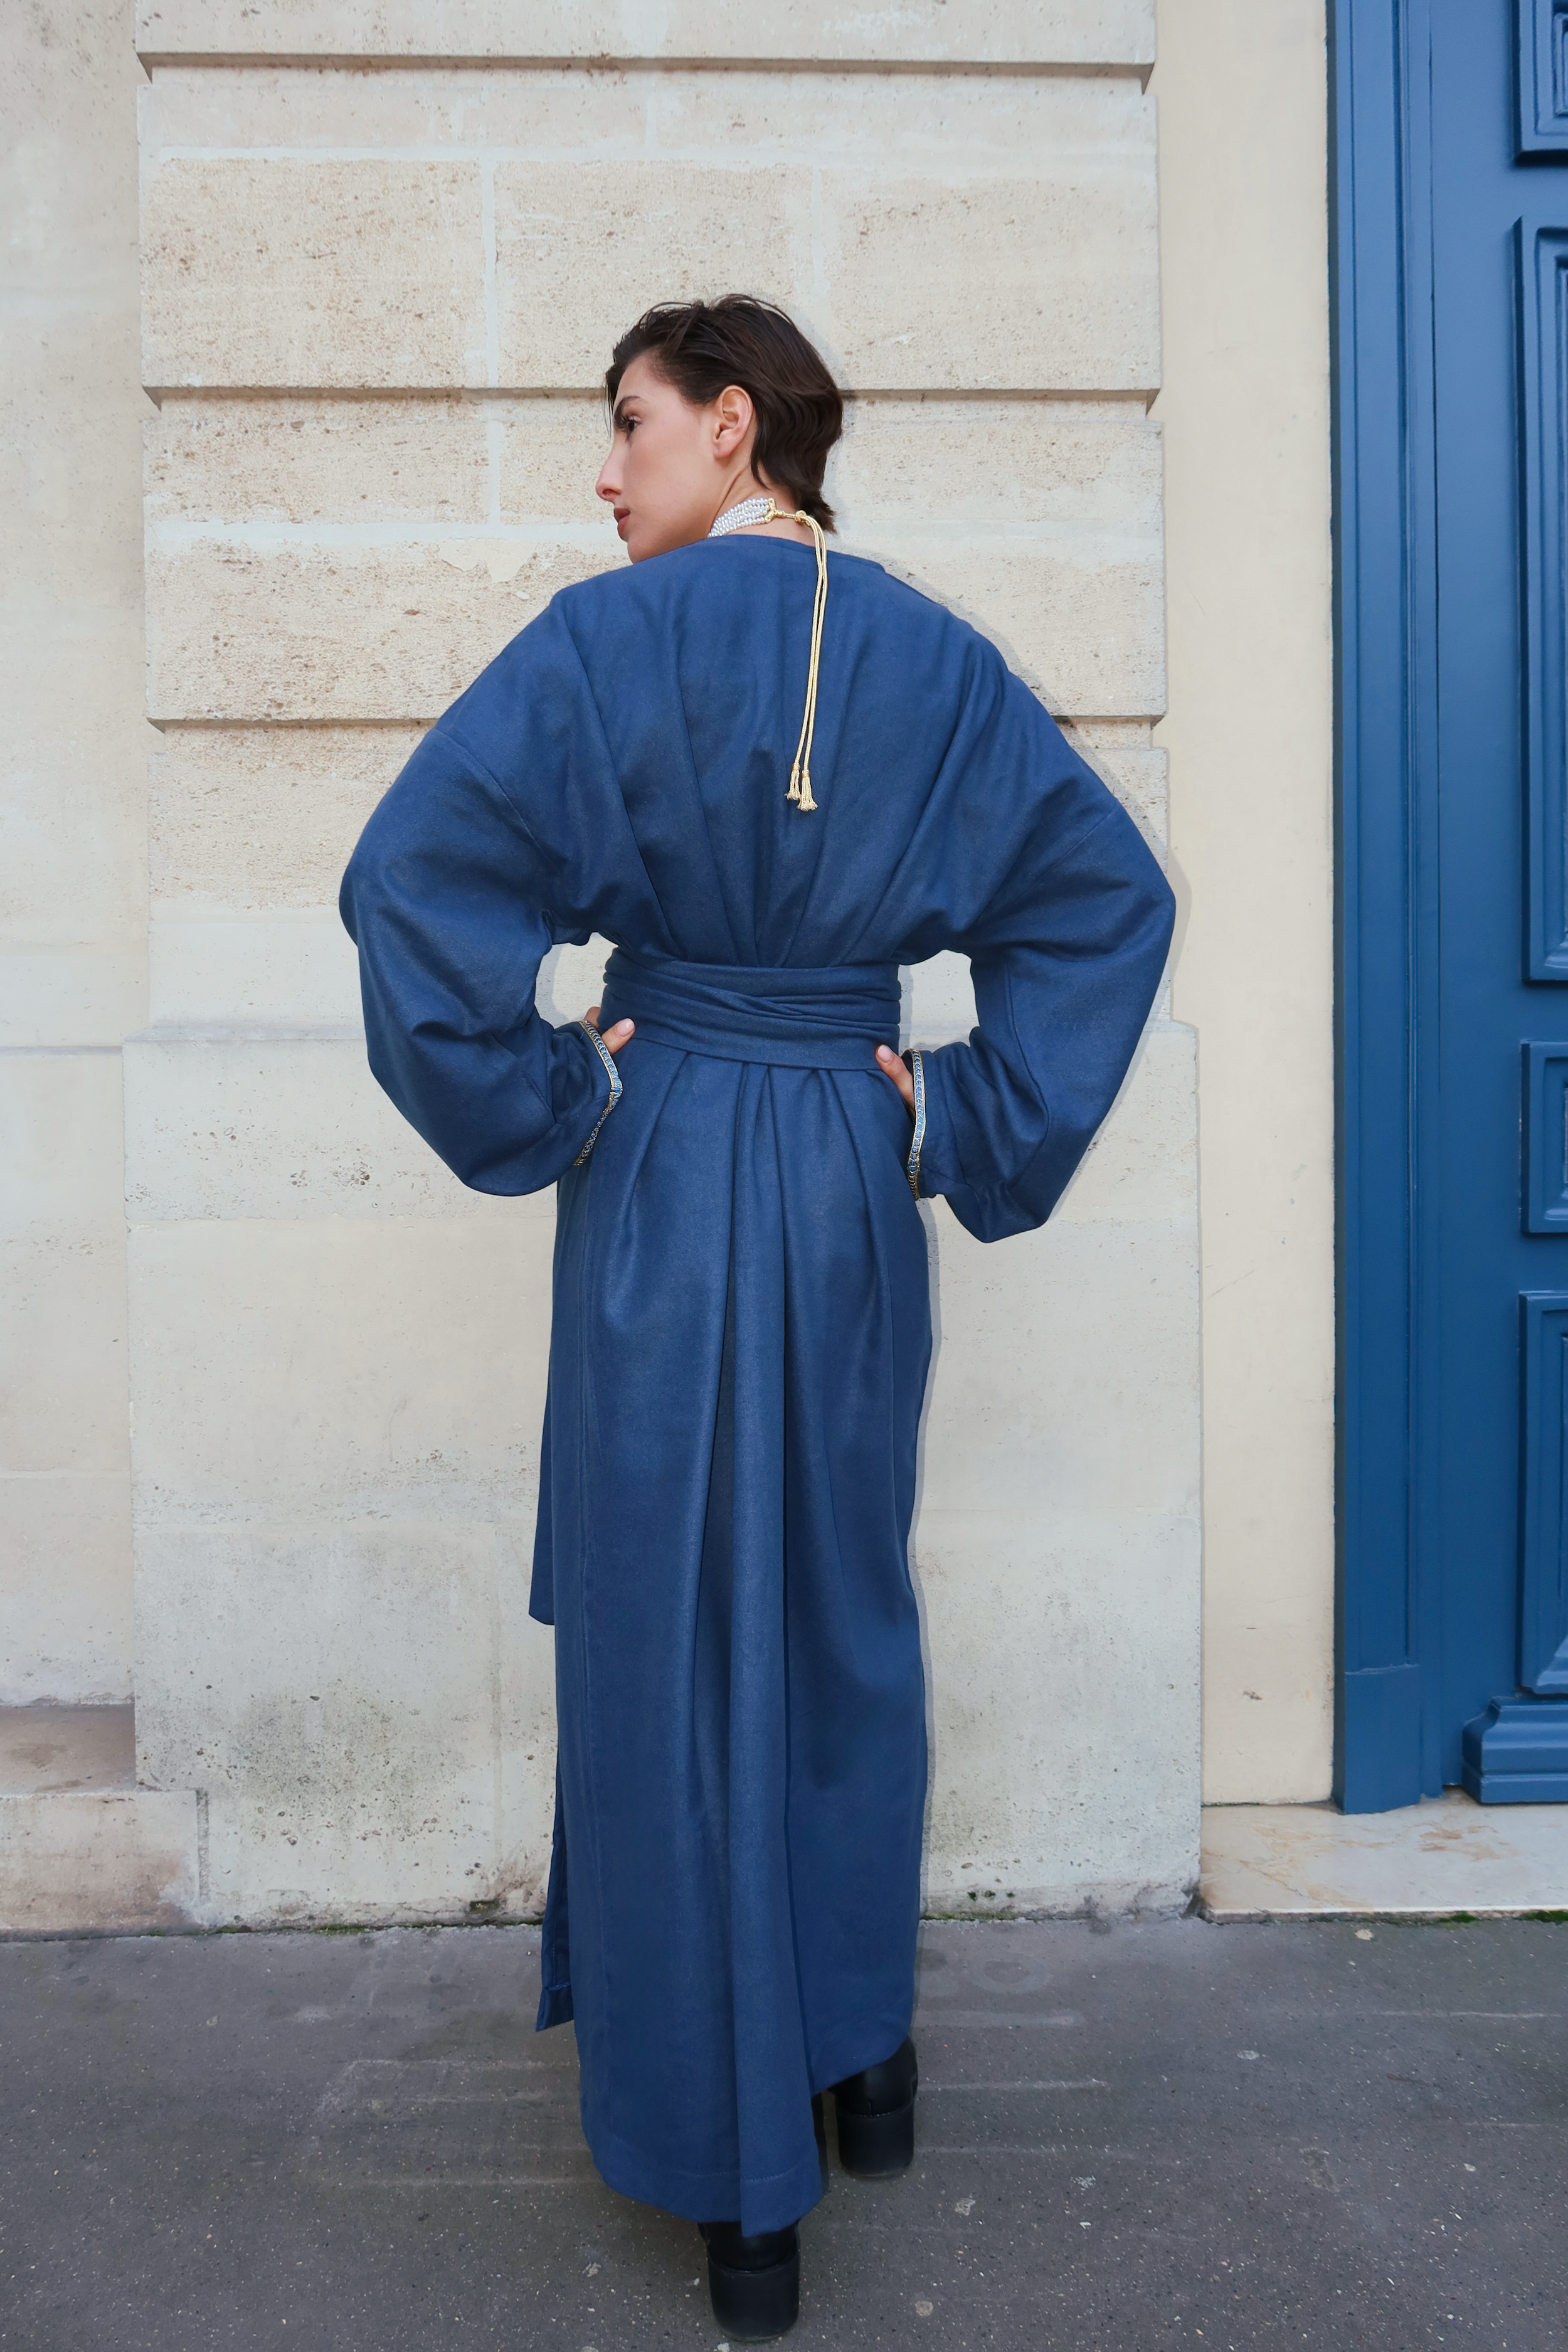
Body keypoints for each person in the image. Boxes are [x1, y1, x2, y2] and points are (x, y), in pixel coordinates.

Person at [340, 295, 1174, 2339]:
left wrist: (552, 1090)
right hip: (841, 1176)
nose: (604, 469)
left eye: (629, 424)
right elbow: (1103, 903)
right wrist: (957, 1105)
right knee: (831, 1617)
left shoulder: (601, 645)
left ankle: (740, 2197)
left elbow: (408, 890)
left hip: (670, 1149)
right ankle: (858, 2067)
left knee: (670, 1635)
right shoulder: (942, 664)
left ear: (735, 426)